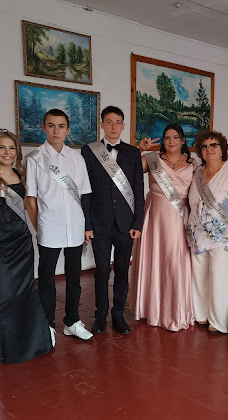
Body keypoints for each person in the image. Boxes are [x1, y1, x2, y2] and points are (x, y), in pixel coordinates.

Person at [0, 129, 55, 363]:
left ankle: (33, 343)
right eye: (1, 147)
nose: (7, 152)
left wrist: (41, 229)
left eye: (12, 148)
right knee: (7, 293)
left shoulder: (20, 173)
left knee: (27, 290)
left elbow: (29, 205)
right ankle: (7, 348)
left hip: (21, 240)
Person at [24, 109, 93, 341]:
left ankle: (72, 321)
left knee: (74, 278)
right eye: (51, 125)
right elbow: (30, 200)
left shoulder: (77, 158)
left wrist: (85, 225)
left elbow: (84, 194)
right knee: (46, 279)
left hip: (74, 227)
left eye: (61, 126)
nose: (56, 131)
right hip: (49, 228)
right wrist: (40, 227)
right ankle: (48, 325)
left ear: (68, 130)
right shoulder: (34, 158)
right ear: (43, 128)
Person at [81, 106, 145, 335]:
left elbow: (138, 190)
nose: (114, 126)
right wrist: (87, 224)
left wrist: (138, 223)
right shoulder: (89, 151)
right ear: (102, 124)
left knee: (122, 270)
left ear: (123, 125)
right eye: (109, 121)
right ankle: (100, 316)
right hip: (99, 223)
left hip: (125, 224)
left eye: (118, 122)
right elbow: (85, 190)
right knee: (101, 271)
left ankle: (118, 314)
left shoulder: (133, 153)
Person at [130, 124, 195, 331]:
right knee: (155, 259)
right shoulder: (151, 159)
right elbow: (128, 168)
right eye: (167, 138)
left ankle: (175, 310)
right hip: (155, 217)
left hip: (179, 218)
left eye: (175, 137)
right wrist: (138, 149)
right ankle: (152, 308)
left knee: (176, 260)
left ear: (183, 140)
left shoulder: (193, 164)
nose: (171, 141)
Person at [187, 130, 228, 334]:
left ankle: (218, 320)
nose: (209, 150)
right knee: (199, 276)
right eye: (204, 147)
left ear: (222, 148)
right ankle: (201, 315)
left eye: (214, 145)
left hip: (224, 236)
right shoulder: (198, 172)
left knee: (220, 277)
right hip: (197, 235)